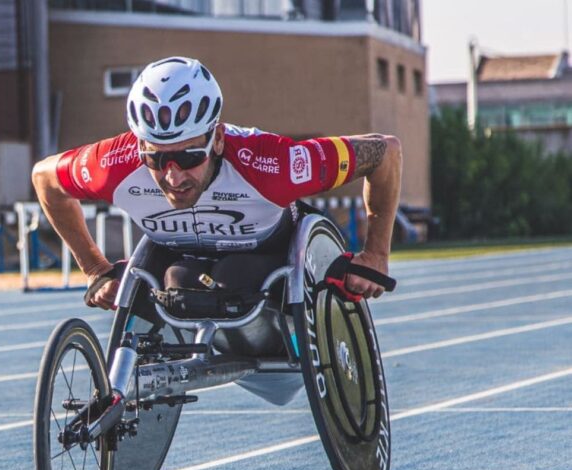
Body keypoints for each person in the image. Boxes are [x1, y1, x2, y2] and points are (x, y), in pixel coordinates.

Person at [30, 56, 401, 312]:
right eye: (156, 159)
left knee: (232, 277)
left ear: (218, 139)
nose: (173, 176)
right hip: (179, 259)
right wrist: (95, 269)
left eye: (190, 157)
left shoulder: (275, 165)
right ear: (139, 145)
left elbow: (385, 153)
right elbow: (45, 178)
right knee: (177, 280)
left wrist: (377, 255)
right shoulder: (114, 163)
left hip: (266, 253)